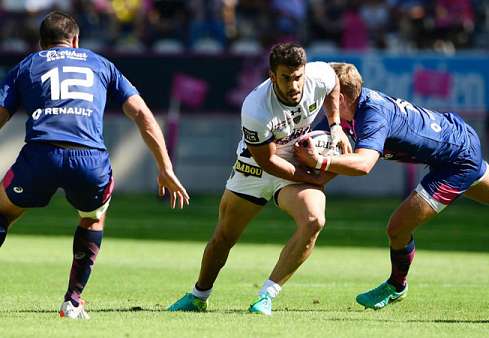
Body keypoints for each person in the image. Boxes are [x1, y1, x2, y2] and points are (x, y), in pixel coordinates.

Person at [295, 63, 489, 310]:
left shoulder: (370, 114)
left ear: (343, 97)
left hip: (455, 159)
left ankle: (396, 286)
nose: (321, 101)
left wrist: (319, 164)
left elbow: (362, 165)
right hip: (456, 136)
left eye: (326, 94)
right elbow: (325, 152)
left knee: (397, 228)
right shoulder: (345, 114)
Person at [0, 11, 189, 320]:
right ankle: (72, 302)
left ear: (40, 44)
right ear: (75, 41)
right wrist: (165, 166)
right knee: (92, 219)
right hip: (89, 159)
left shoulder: (26, 65)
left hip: (41, 155)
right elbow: (141, 114)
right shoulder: (100, 64)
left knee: (3, 213)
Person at [168, 42, 351, 316]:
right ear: (272, 75)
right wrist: (313, 177)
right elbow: (268, 161)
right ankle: (198, 295)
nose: (294, 85)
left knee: (314, 220)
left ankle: (266, 295)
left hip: (296, 159)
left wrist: (335, 125)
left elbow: (334, 83)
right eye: (286, 78)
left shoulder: (320, 74)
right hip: (254, 167)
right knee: (223, 238)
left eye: (298, 77)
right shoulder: (256, 109)